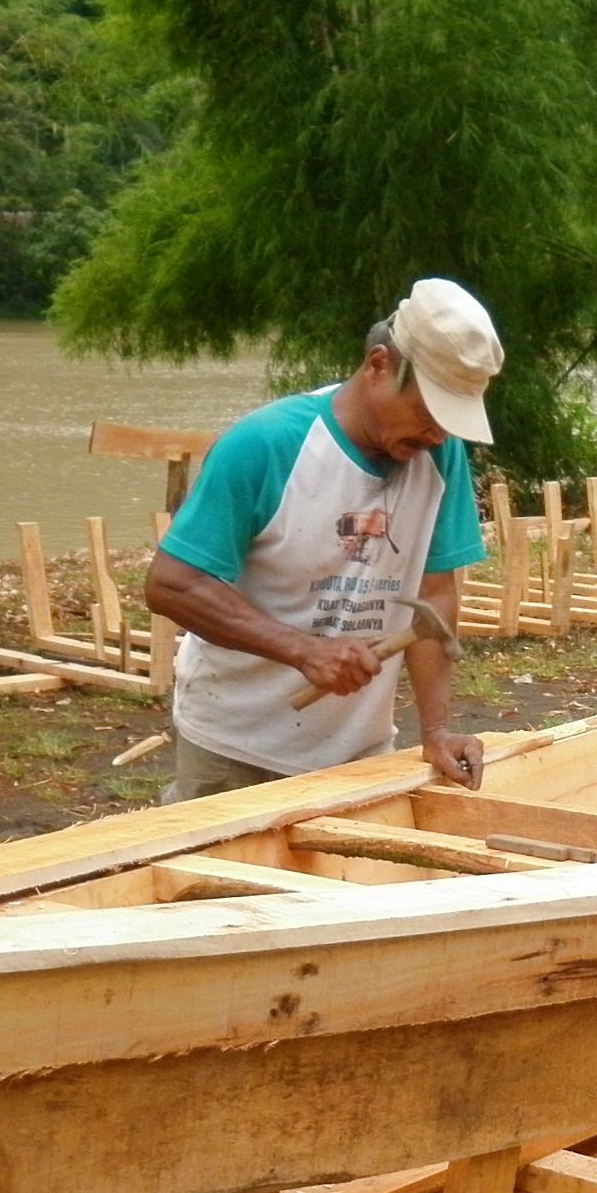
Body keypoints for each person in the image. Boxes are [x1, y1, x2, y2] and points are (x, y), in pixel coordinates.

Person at [143, 278, 497, 801]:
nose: (438, 435)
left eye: (450, 422)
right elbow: (172, 585)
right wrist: (302, 650)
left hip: (356, 749)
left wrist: (436, 730)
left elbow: (434, 596)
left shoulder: (438, 457)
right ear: (379, 365)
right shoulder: (264, 446)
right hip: (235, 744)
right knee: (225, 884)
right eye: (429, 413)